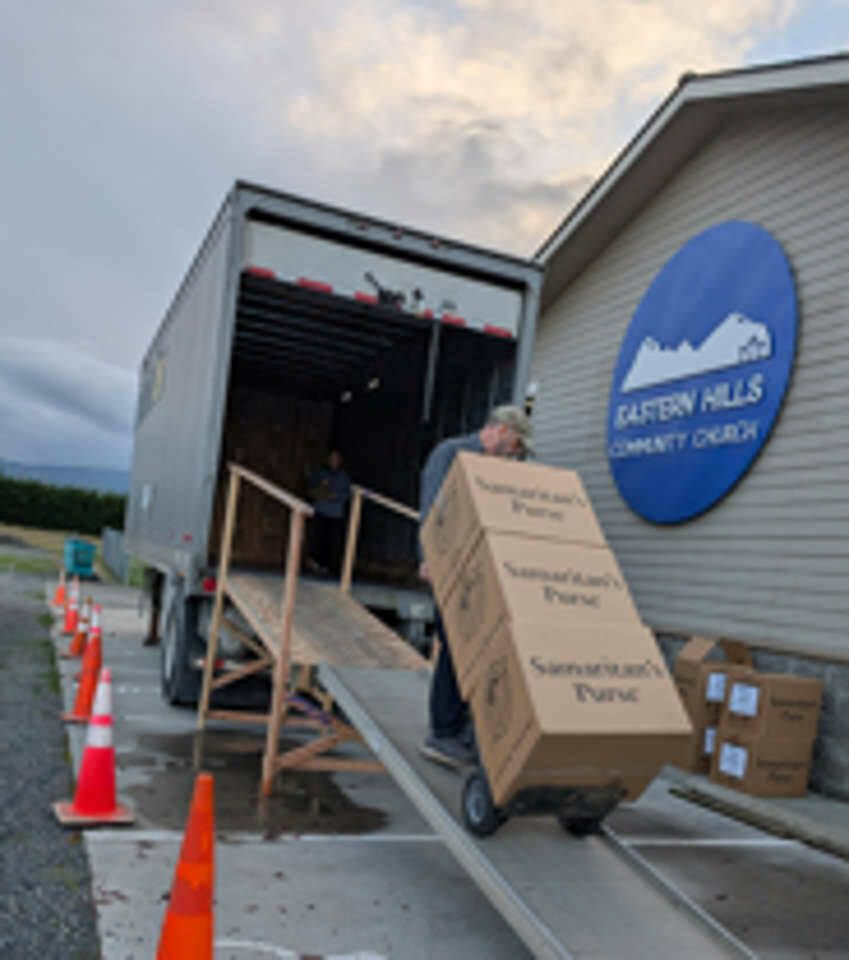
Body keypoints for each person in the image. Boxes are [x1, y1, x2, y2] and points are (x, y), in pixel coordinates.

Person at [418, 405, 533, 769]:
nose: (515, 453)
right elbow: (433, 507)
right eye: (515, 444)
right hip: (449, 567)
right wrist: (428, 557)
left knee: (475, 651)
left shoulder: (495, 467)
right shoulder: (450, 453)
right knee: (455, 645)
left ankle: (465, 728)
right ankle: (442, 733)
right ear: (501, 430)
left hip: (480, 573)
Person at [306, 450, 351, 577]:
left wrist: (330, 495)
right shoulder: (319, 473)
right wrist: (326, 492)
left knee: (333, 542)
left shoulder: (344, 477)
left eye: (336, 459)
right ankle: (314, 564)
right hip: (320, 511)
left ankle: (330, 568)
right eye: (332, 459)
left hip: (336, 514)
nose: (334, 462)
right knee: (316, 539)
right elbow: (313, 492)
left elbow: (344, 496)